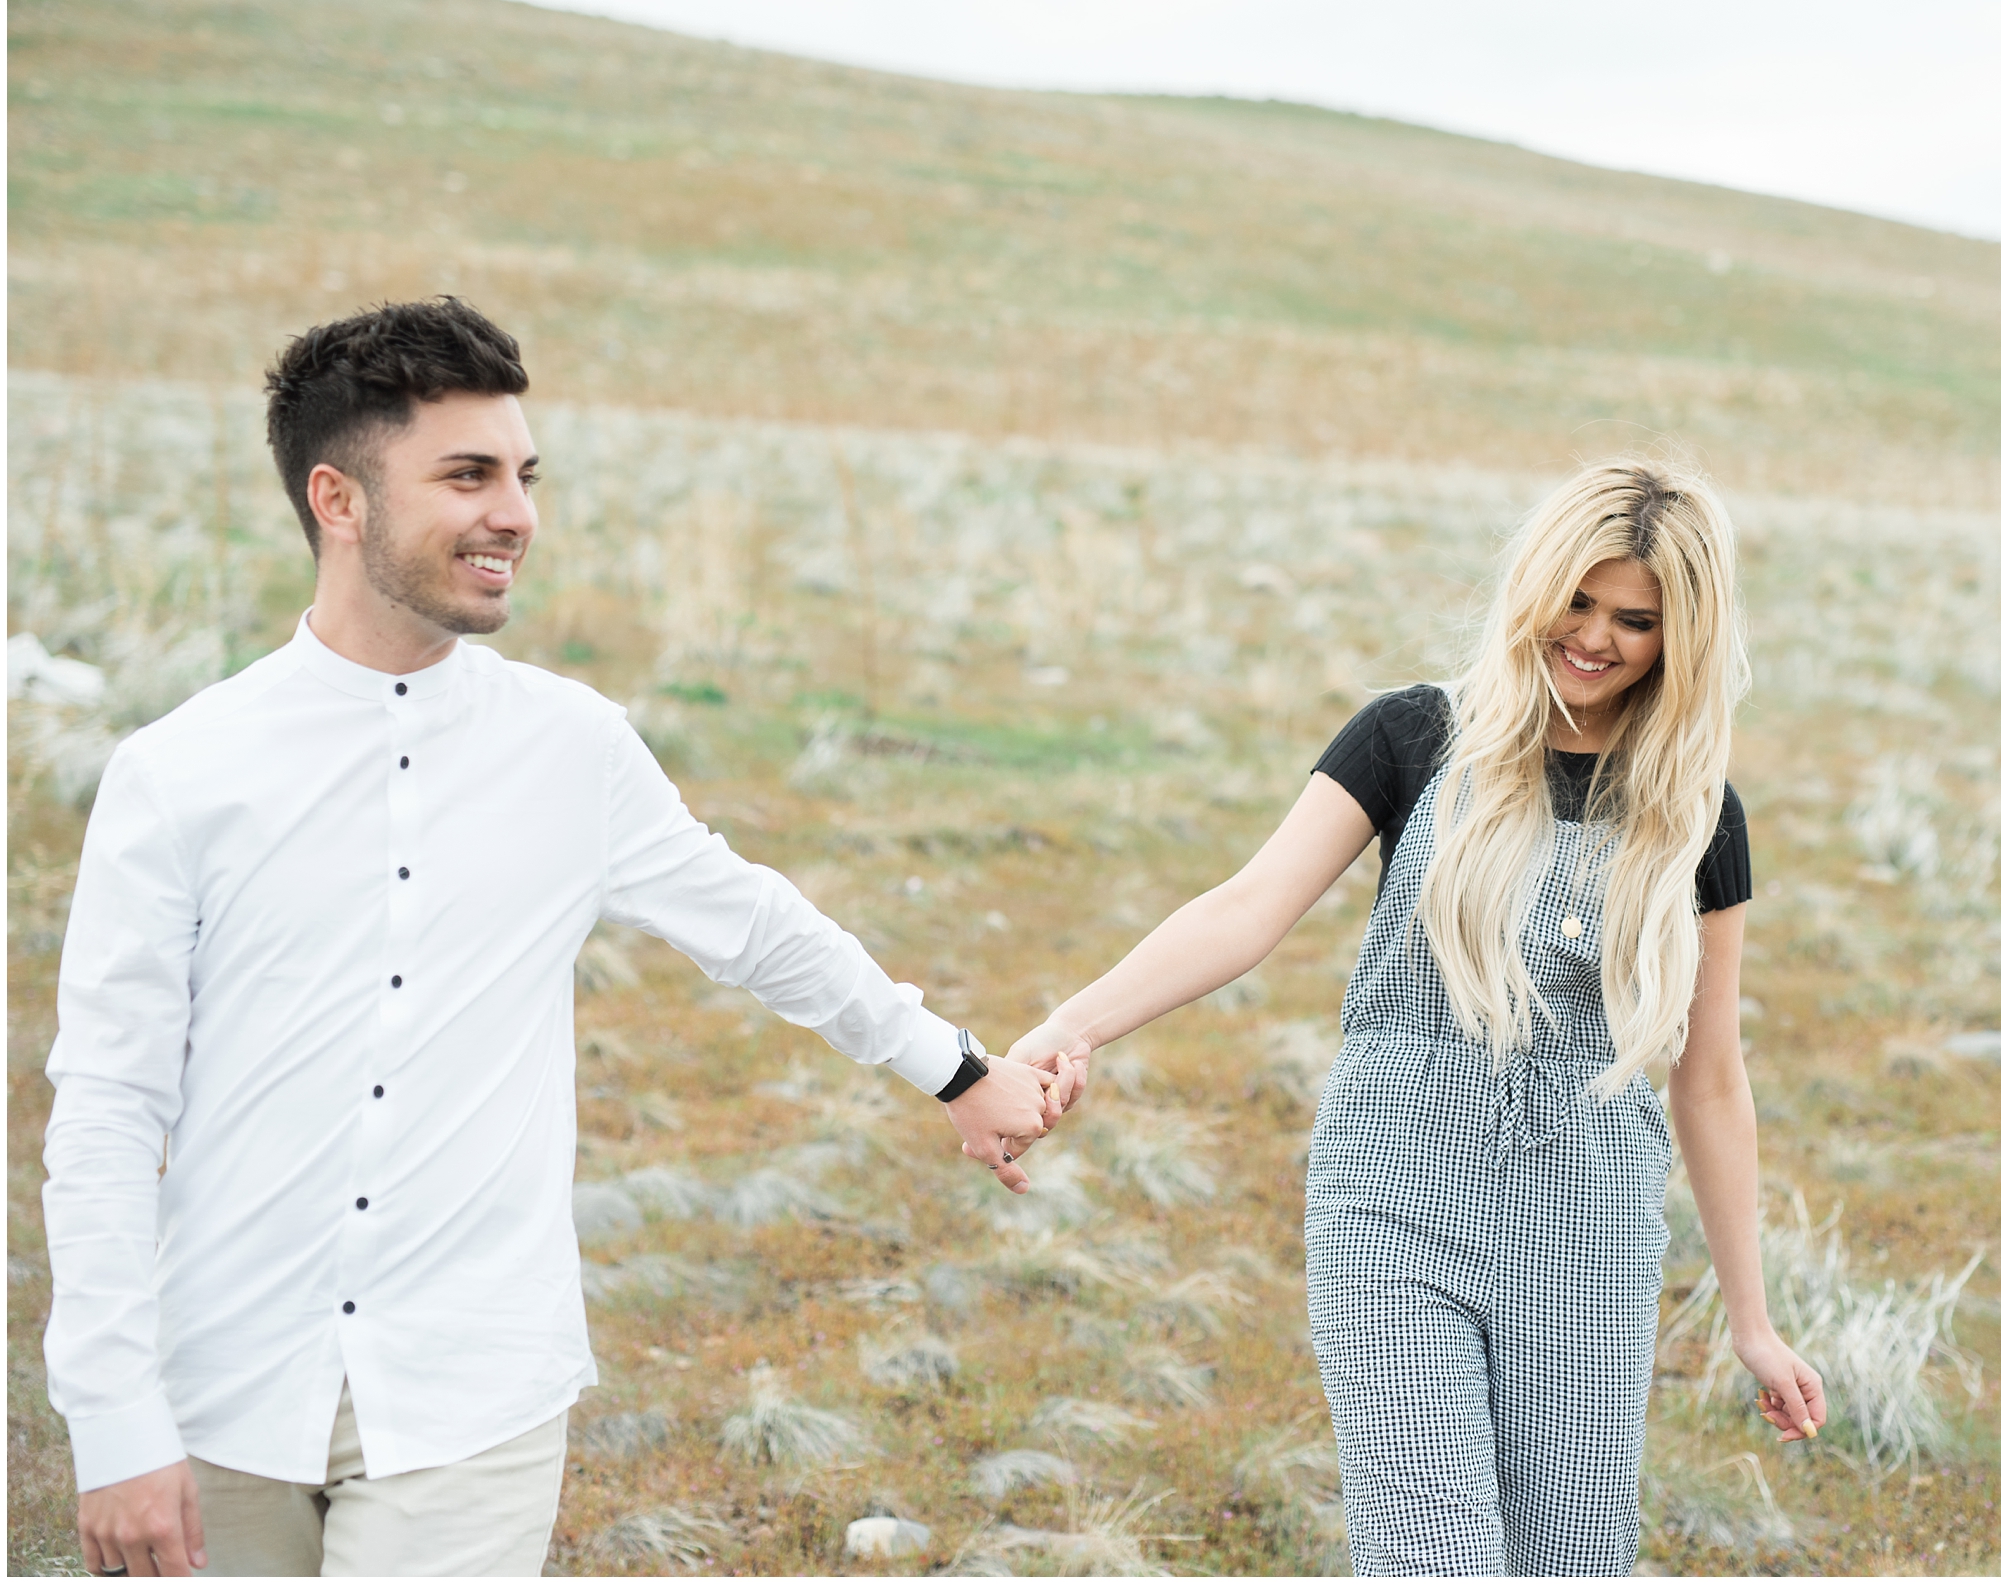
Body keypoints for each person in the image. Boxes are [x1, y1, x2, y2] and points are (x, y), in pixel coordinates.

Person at [42, 298, 1058, 1579]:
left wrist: (957, 1073)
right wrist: (116, 1417)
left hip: (472, 1397)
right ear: (337, 500)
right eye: (466, 475)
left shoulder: (573, 747)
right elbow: (109, 1107)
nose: (515, 513)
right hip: (216, 1393)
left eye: (523, 475)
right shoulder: (179, 772)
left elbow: (753, 927)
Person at [1007, 458, 1826, 1575]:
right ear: (1534, 586)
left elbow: (1710, 1075)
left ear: (1680, 637)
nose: (1593, 638)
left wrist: (1752, 1320)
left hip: (1588, 1225)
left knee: (1568, 1564)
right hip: (1392, 1197)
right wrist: (1073, 1025)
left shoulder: (1695, 814)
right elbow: (1249, 907)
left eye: (1634, 620)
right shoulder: (1413, 738)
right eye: (1575, 601)